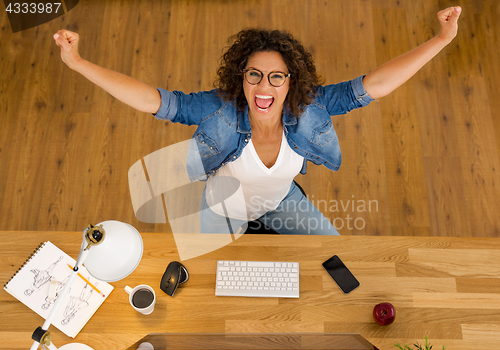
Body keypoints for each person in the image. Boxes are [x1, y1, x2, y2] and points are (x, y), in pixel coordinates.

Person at [53, 6, 461, 235]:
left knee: (337, 253)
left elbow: (376, 85)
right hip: (218, 209)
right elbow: (152, 100)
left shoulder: (313, 106)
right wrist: (77, 62)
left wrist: (442, 39)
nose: (264, 87)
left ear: (291, 82)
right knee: (205, 283)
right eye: (254, 75)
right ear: (241, 78)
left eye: (276, 77)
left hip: (281, 202)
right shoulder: (218, 108)